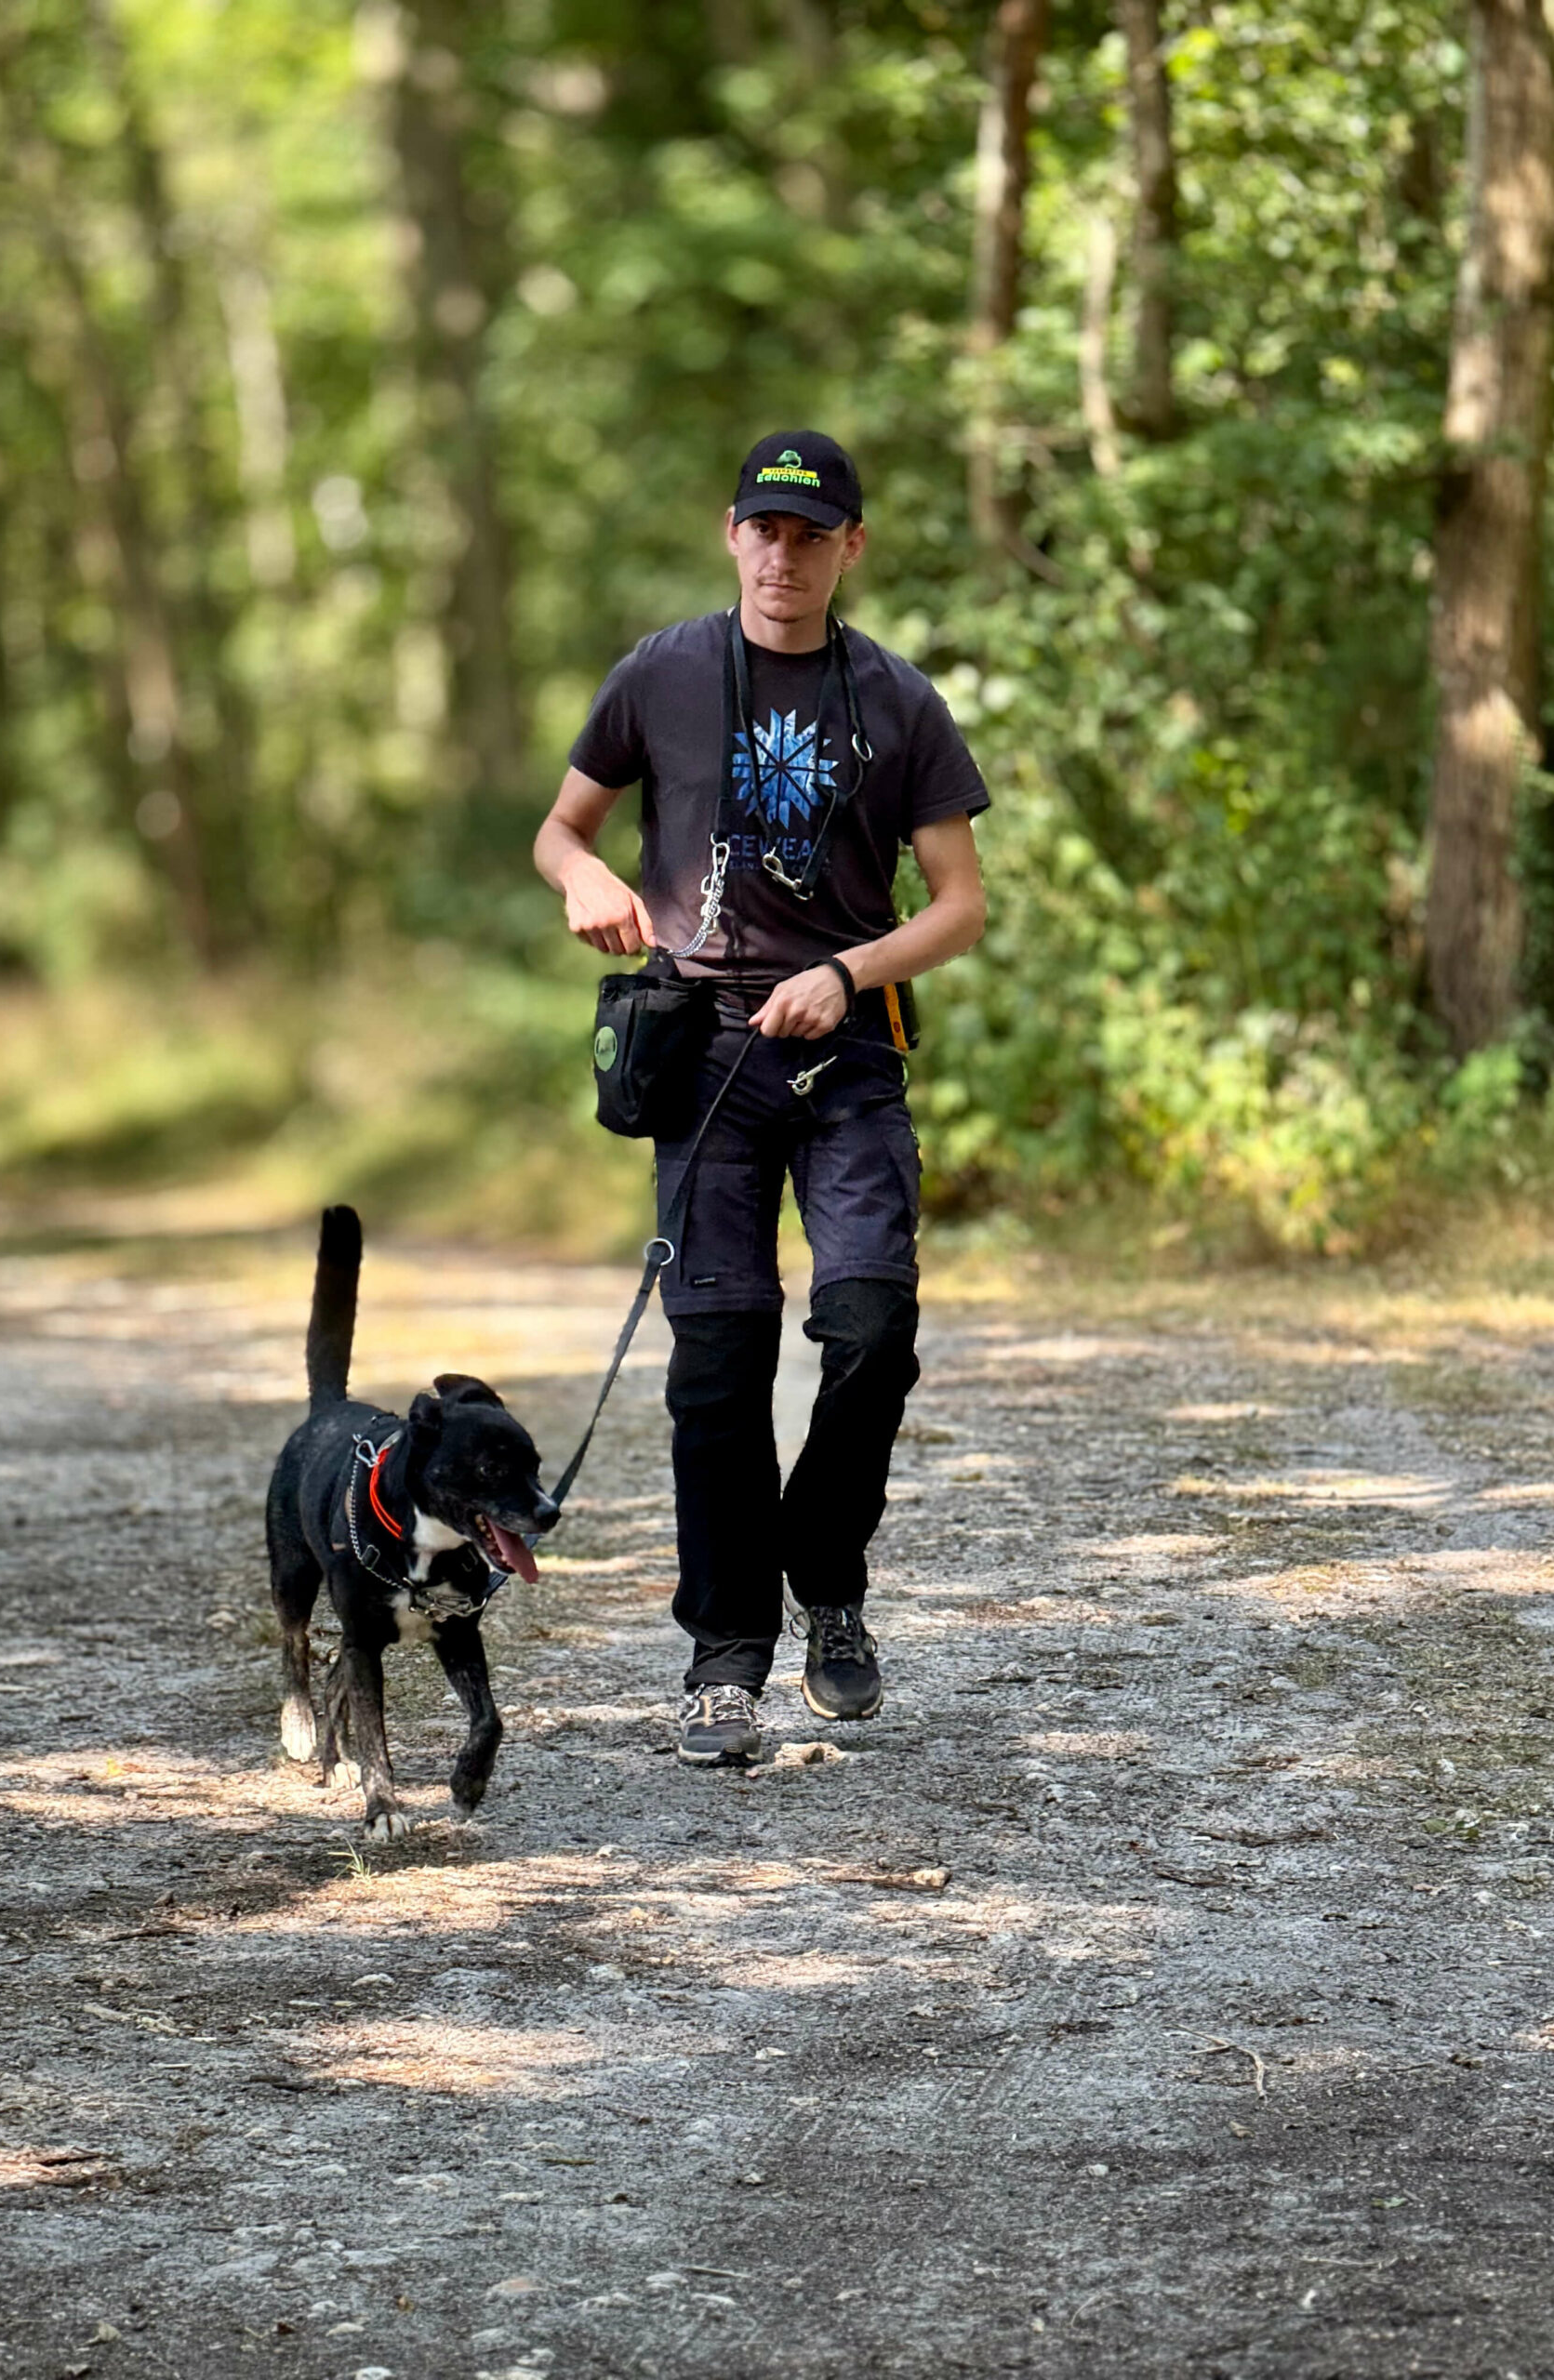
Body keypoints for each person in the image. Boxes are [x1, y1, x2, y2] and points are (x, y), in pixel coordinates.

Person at [533, 430, 988, 1765]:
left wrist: (847, 974)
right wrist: (585, 877)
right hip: (706, 1055)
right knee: (719, 1365)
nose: (784, 557)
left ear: (852, 548)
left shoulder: (900, 701)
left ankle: (827, 1577)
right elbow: (562, 827)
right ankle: (724, 1662)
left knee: (873, 1330)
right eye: (764, 531)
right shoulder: (660, 673)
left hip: (848, 1055)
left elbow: (959, 907)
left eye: (812, 535)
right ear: (732, 534)